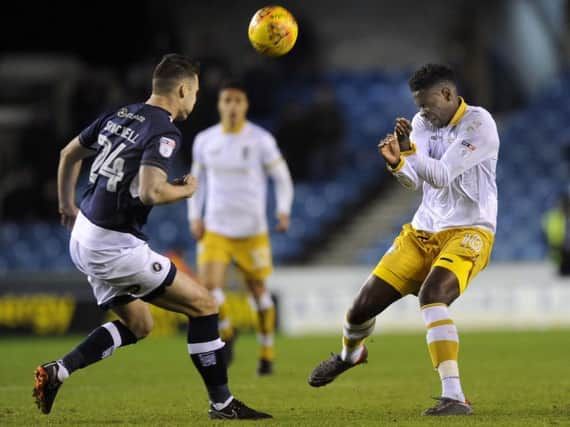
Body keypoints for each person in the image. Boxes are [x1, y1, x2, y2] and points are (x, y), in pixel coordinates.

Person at [33, 54, 271, 420]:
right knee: (205, 306)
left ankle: (57, 372)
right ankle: (222, 404)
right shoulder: (165, 129)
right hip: (113, 245)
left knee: (140, 325)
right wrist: (187, 191)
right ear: (180, 90)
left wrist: (66, 204)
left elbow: (69, 153)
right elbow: (150, 193)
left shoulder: (121, 114)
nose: (194, 101)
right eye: (193, 93)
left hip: (83, 235)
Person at [308, 64, 499, 416]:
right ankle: (351, 356)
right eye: (418, 105)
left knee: (432, 295)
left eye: (427, 104)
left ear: (447, 94)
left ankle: (454, 396)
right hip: (423, 230)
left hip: (469, 229)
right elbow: (416, 182)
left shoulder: (478, 124)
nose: (422, 113)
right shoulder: (424, 123)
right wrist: (398, 164)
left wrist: (410, 152)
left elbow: (440, 175)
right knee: (359, 310)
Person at [188, 81, 294, 375]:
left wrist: (283, 211)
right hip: (216, 229)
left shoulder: (260, 140)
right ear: (220, 105)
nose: (232, 106)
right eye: (227, 101)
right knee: (210, 292)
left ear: (245, 105)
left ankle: (267, 350)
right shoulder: (204, 140)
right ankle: (227, 330)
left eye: (238, 101)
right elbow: (197, 182)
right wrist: (194, 216)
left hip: (252, 231)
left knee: (258, 292)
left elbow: (282, 178)